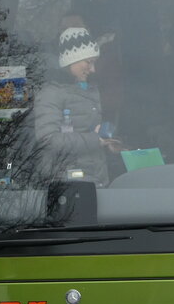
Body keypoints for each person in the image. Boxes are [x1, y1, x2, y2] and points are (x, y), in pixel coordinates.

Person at [34, 27, 121, 185]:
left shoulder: (89, 90)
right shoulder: (51, 94)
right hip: (66, 188)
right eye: (89, 62)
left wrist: (106, 143)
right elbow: (48, 140)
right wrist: (95, 140)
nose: (93, 69)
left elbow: (88, 137)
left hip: (95, 181)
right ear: (71, 60)